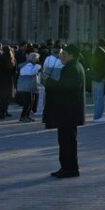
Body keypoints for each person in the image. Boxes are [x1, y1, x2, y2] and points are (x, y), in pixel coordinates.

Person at [42, 45, 86, 178]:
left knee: (67, 141)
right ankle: (66, 167)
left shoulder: (72, 68)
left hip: (68, 111)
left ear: (71, 55)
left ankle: (70, 168)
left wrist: (47, 81)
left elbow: (65, 87)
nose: (61, 56)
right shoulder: (73, 67)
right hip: (69, 111)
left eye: (64, 54)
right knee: (67, 140)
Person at [16, 52, 41, 122]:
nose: (37, 60)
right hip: (25, 87)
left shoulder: (31, 65)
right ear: (32, 58)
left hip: (30, 87)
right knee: (28, 102)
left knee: (31, 102)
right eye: (36, 58)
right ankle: (23, 116)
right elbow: (30, 73)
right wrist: (37, 67)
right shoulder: (27, 65)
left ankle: (27, 116)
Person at [90, 38, 105, 122]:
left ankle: (97, 115)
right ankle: (98, 116)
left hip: (97, 77)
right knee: (100, 97)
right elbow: (104, 66)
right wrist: (104, 76)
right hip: (100, 78)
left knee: (98, 97)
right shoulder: (101, 53)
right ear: (104, 44)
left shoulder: (96, 52)